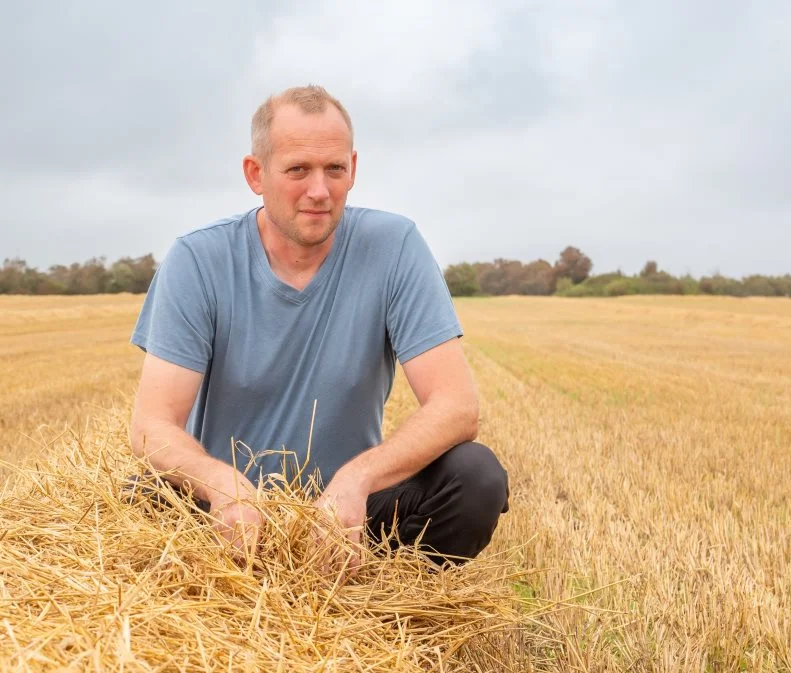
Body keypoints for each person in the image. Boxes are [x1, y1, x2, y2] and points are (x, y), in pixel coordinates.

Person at [126, 84, 509, 573]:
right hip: (227, 513)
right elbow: (152, 425)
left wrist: (356, 482)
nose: (319, 191)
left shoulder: (395, 247)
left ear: (353, 168)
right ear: (255, 174)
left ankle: (392, 613)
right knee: (141, 497)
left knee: (475, 476)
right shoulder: (198, 259)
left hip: (351, 515)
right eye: (297, 170)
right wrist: (224, 487)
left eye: (334, 169)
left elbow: (457, 407)